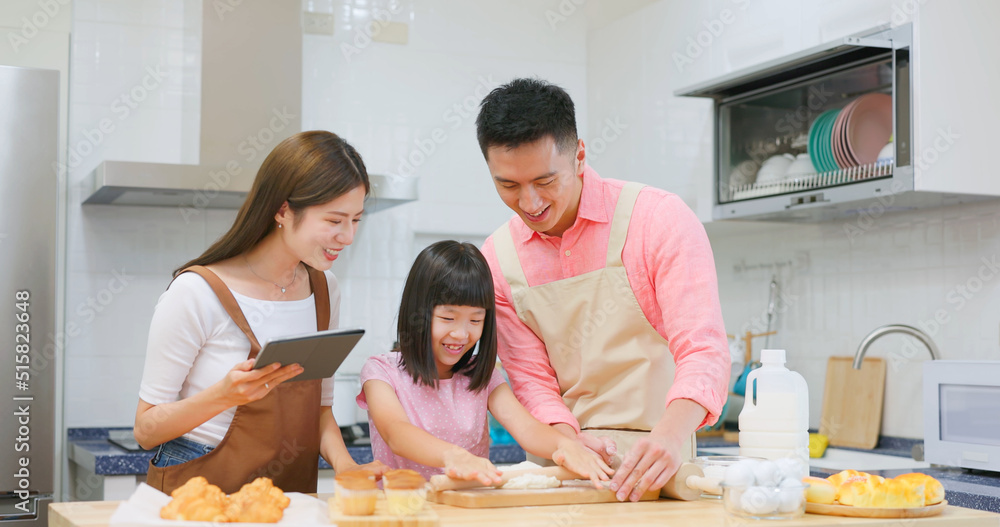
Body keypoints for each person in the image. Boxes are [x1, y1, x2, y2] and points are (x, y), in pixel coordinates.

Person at [476, 78, 731, 501]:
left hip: (662, 464)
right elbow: (532, 381)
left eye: (544, 180)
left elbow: (703, 349)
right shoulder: (498, 259)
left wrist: (669, 435)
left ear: (578, 156)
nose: (529, 202)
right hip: (561, 469)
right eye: (508, 185)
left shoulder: (657, 221)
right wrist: (567, 444)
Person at [134, 131, 387, 494]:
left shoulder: (324, 289)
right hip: (200, 485)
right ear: (283, 210)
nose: (348, 236)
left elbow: (319, 411)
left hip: (287, 492)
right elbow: (145, 431)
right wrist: (224, 394)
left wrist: (347, 466)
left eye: (356, 220)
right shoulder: (196, 292)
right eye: (334, 221)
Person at [357, 241, 613, 486]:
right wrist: (455, 457)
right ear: (419, 312)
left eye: (475, 320)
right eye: (448, 318)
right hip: (403, 510)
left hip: (468, 509)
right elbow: (396, 433)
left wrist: (565, 446)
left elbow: (527, 429)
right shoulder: (382, 371)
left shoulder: (481, 375)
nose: (461, 334)